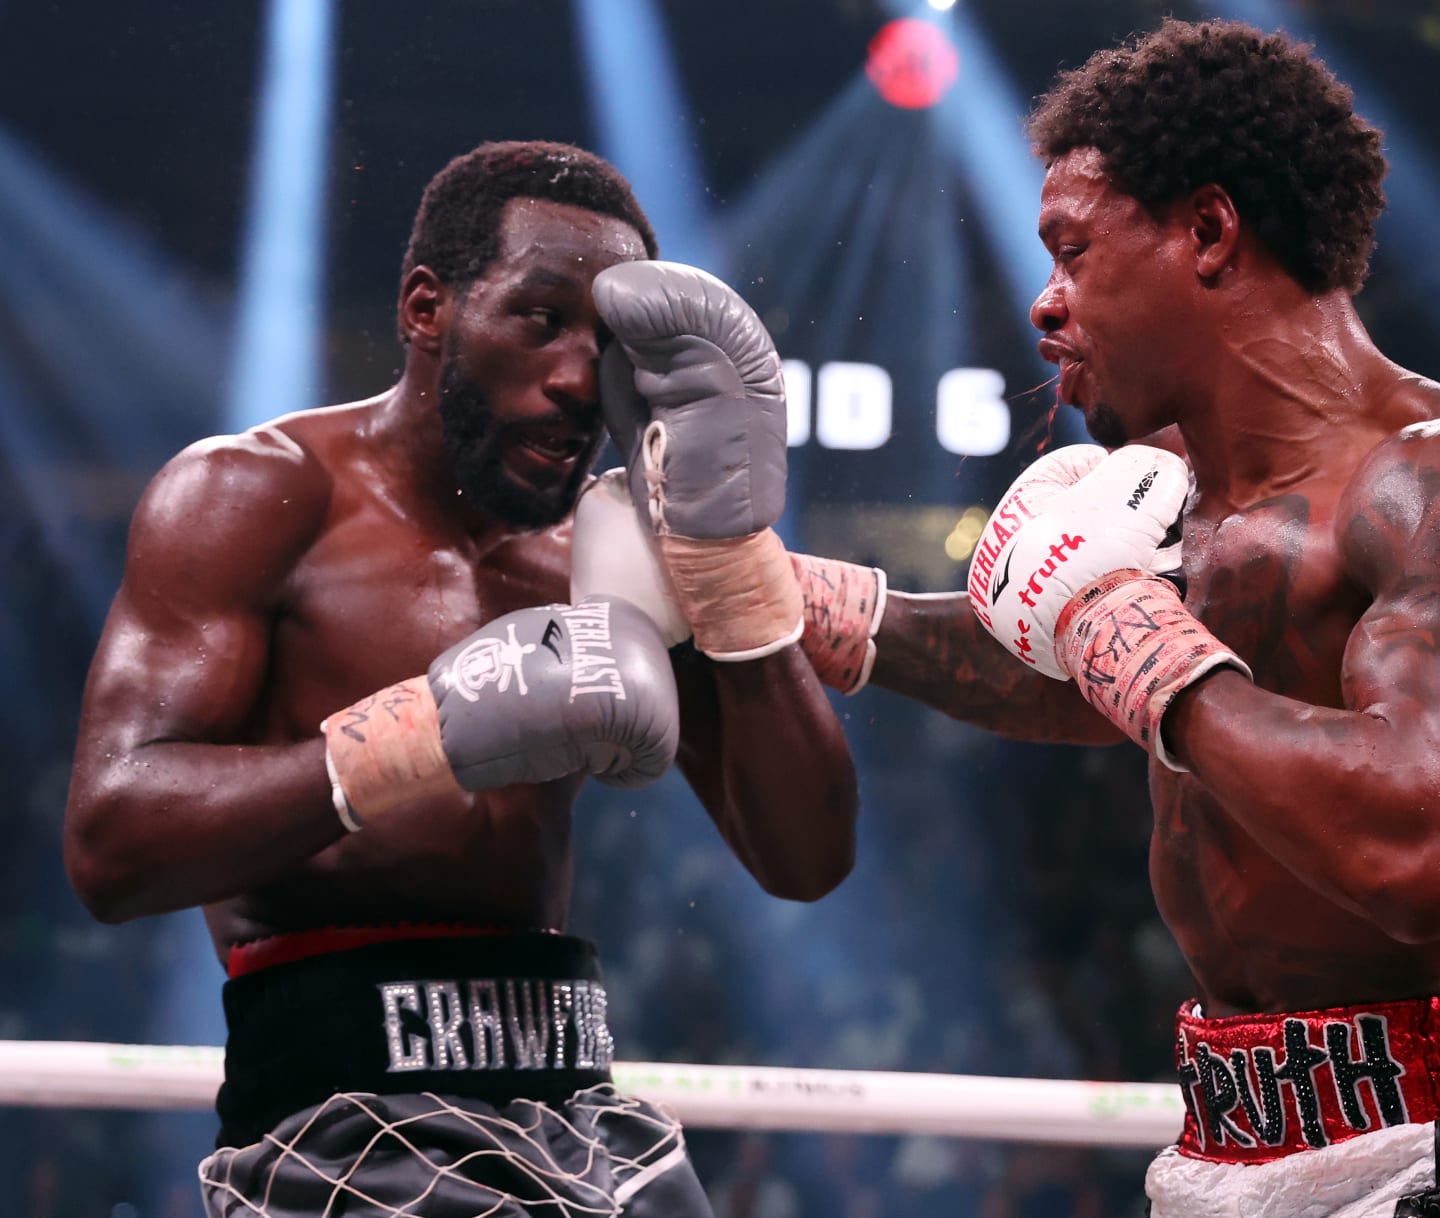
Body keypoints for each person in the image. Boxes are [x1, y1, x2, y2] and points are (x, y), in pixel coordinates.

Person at [781, 21, 1440, 1217]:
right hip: (1226, 1144)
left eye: (1072, 251)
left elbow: (1421, 851)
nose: (1045, 305)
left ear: (1206, 232)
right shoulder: (1181, 493)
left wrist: (1149, 659)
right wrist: (825, 607)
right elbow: (1081, 670)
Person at [63, 140, 858, 1217]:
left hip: (585, 1118)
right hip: (338, 1128)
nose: (581, 376)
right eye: (539, 319)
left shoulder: (613, 546)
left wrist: (729, 563)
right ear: (427, 309)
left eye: (609, 342)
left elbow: (805, 856)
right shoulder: (255, 496)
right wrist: (416, 738)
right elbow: (112, 843)